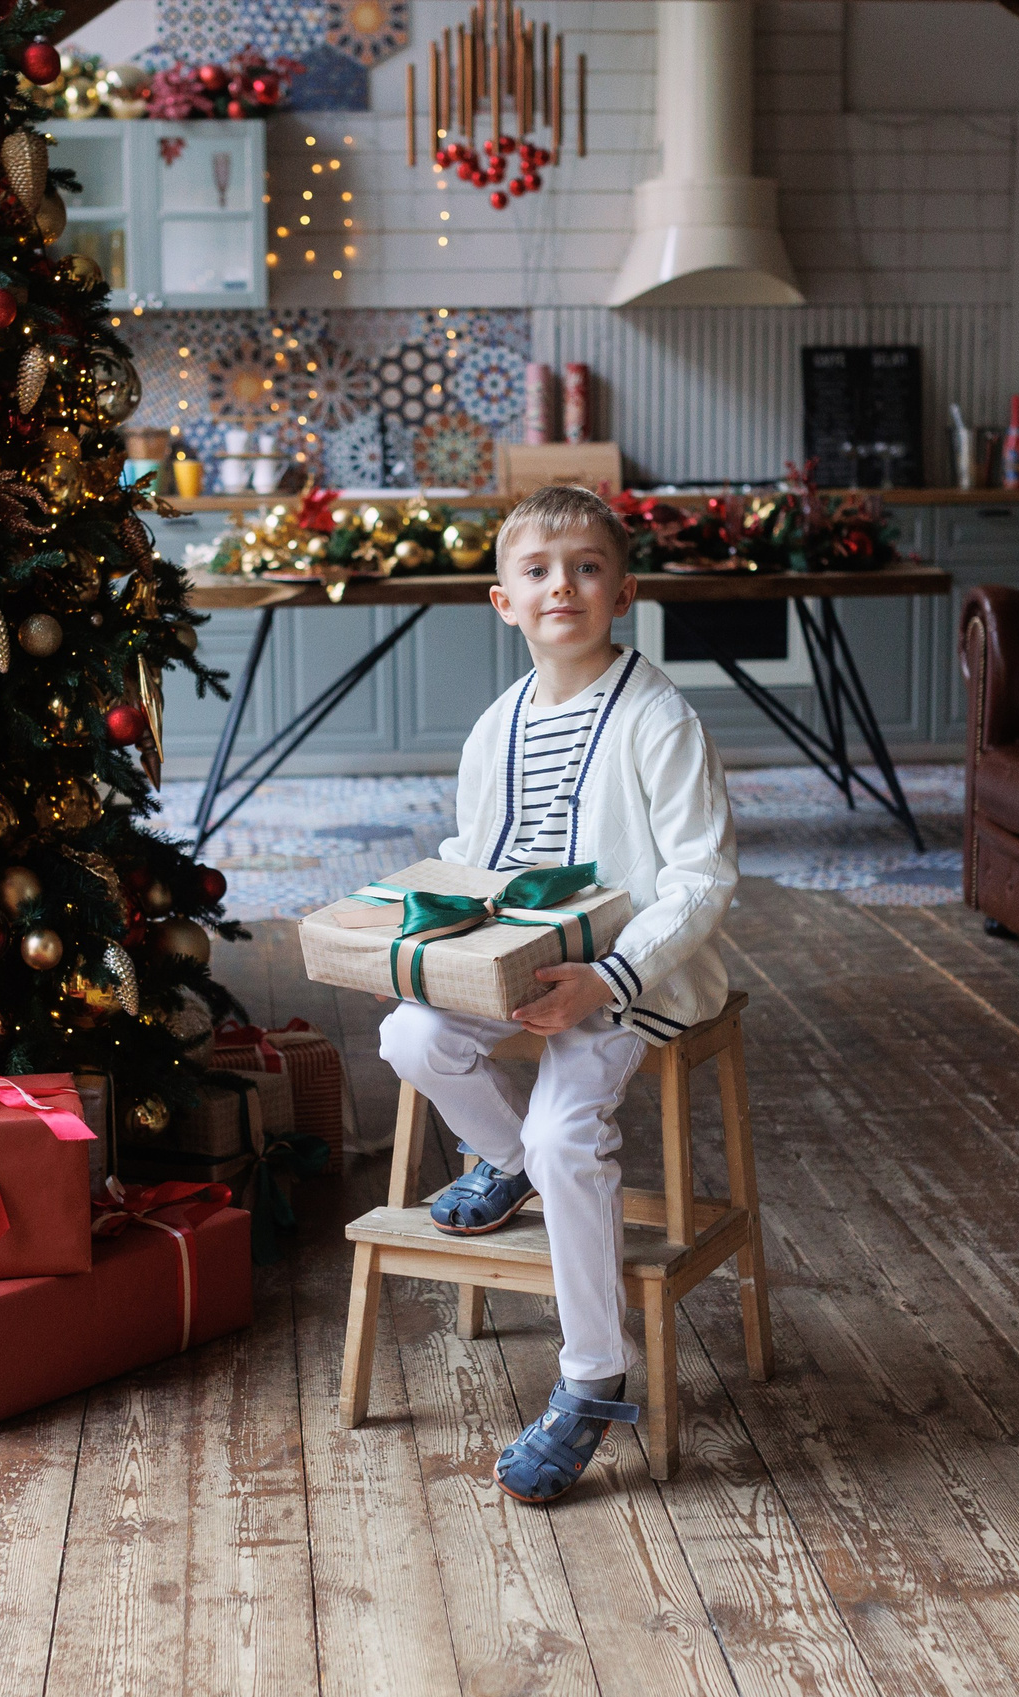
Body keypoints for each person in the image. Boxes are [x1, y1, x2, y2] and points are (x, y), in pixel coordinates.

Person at [376, 483, 739, 1504]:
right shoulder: (496, 727)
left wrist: (607, 978)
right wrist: (426, 932)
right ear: (504, 601)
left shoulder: (657, 718)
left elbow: (701, 879)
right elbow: (474, 853)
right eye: (537, 570)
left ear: (621, 592)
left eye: (585, 568)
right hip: (520, 955)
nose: (561, 587)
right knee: (410, 1034)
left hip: (630, 970)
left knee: (570, 1135)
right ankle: (505, 1159)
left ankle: (591, 1378)